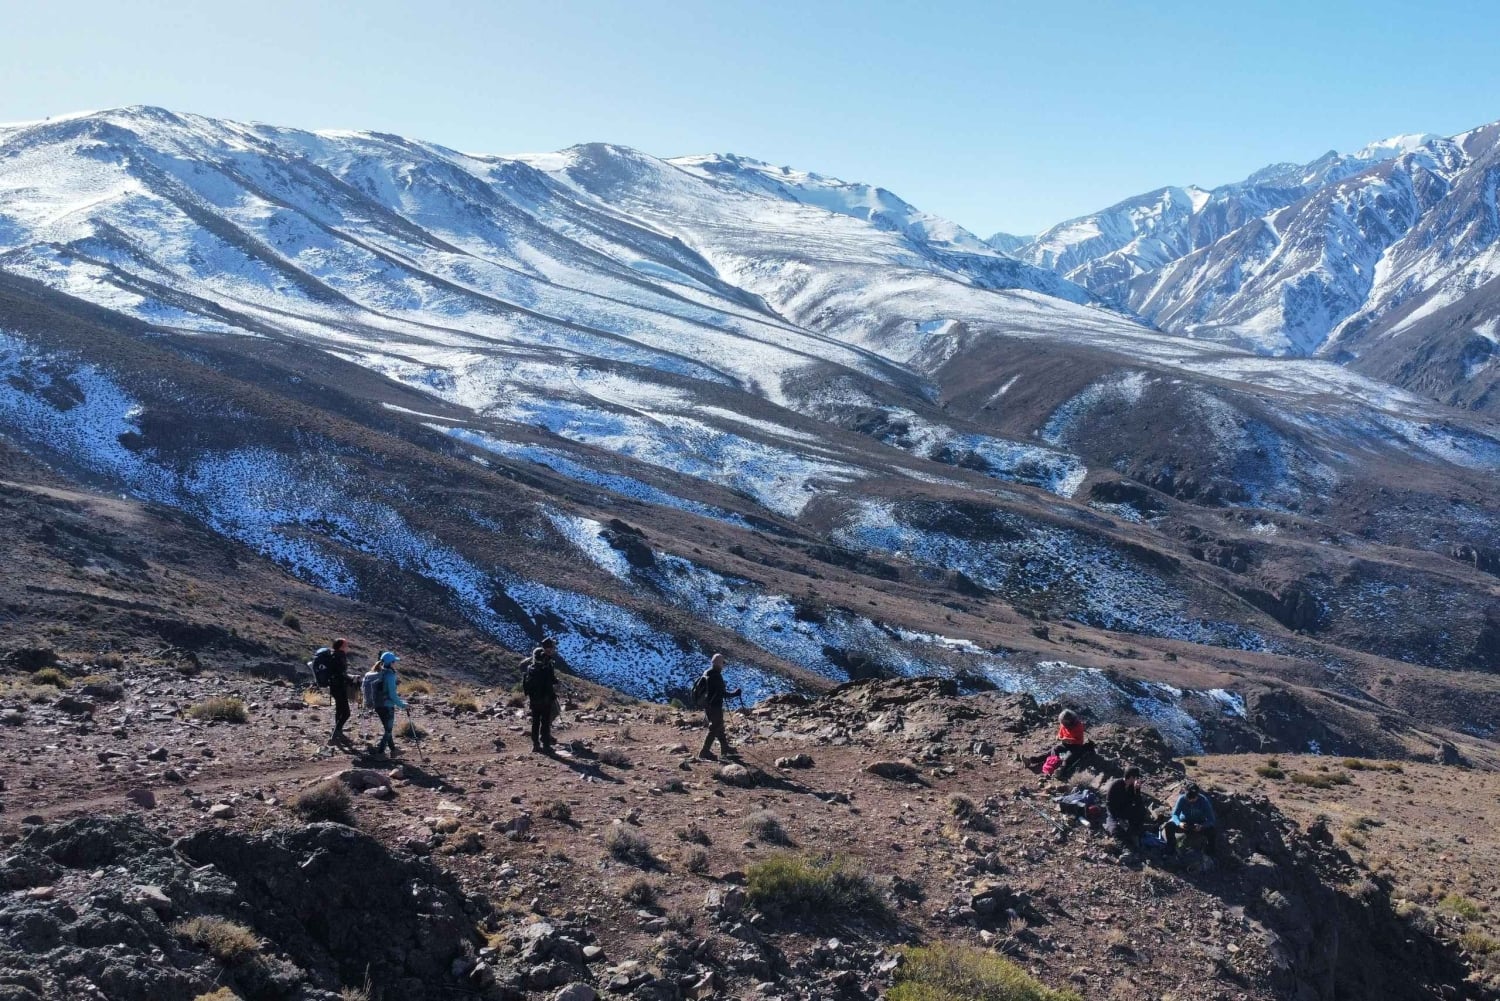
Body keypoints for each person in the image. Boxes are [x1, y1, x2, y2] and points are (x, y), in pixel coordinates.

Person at [695, 653, 742, 760]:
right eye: (723, 664)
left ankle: (725, 749)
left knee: (719, 727)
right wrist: (735, 693)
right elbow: (723, 694)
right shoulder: (717, 676)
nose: (723, 666)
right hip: (715, 706)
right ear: (720, 664)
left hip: (708, 706)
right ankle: (704, 752)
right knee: (714, 728)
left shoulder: (707, 673)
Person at [365, 651, 409, 758]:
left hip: (377, 705)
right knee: (388, 731)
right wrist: (403, 705)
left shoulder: (378, 672)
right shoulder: (389, 676)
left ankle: (393, 751)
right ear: (391, 662)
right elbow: (393, 696)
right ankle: (380, 753)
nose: (395, 663)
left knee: (387, 730)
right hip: (387, 706)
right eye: (394, 661)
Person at [521, 639, 559, 752]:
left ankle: (535, 745)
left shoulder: (532, 666)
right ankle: (546, 745)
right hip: (545, 698)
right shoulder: (547, 665)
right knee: (545, 722)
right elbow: (550, 681)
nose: (553, 650)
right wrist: (556, 683)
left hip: (534, 698)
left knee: (535, 722)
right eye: (552, 647)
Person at [1162, 781, 1217, 857]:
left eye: (1193, 798)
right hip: (1184, 824)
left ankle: (1210, 852)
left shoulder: (1203, 800)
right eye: (1188, 798)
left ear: (1197, 795)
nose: (1191, 800)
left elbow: (1211, 819)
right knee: (1169, 826)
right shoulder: (1182, 799)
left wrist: (1202, 826)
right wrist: (1179, 823)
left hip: (1198, 825)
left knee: (1212, 830)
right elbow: (1175, 814)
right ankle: (1171, 847)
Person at [320, 638, 354, 746]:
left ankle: (339, 732)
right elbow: (341, 673)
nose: (347, 647)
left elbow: (337, 672)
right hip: (339, 687)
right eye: (346, 645)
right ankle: (334, 736)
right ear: (341, 646)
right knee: (346, 713)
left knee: (339, 710)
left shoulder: (333, 655)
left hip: (334, 687)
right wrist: (351, 679)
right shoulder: (340, 656)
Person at [1103, 766, 1147, 840]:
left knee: (1141, 810)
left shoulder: (1132, 787)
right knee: (1115, 830)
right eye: (1136, 777)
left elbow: (1138, 802)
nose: (1138, 779)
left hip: (1124, 809)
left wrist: (1137, 790)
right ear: (1131, 777)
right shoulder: (1116, 785)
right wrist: (1118, 818)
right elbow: (1110, 804)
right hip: (1113, 811)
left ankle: (1136, 830)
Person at [1053, 709, 1095, 780]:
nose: (1063, 724)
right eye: (1063, 722)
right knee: (1054, 749)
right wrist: (1059, 737)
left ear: (1070, 720)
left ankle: (1061, 770)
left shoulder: (1078, 726)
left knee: (1067, 759)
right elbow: (1060, 734)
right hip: (1065, 744)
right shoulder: (1063, 724)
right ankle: (1034, 760)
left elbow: (1079, 741)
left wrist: (1070, 740)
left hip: (1076, 746)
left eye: (1065, 722)